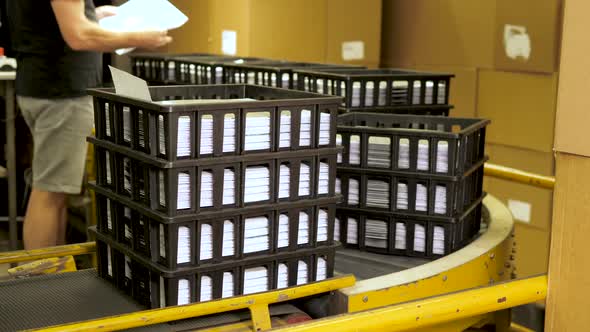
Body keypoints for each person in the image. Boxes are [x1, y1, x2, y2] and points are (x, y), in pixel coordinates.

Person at [6, 0, 172, 250]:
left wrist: (94, 14)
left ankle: (55, 269)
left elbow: (48, 19)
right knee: (50, 192)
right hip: (61, 93)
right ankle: (42, 276)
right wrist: (138, 37)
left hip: (42, 85)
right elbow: (79, 35)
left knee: (54, 191)